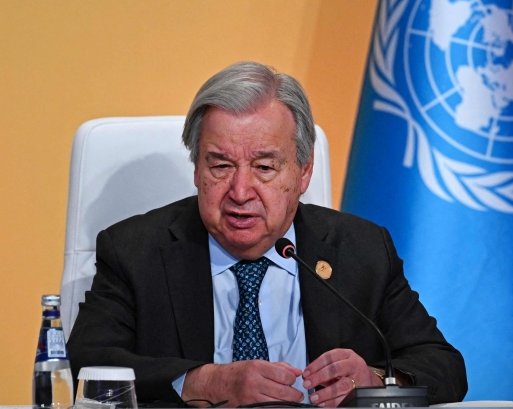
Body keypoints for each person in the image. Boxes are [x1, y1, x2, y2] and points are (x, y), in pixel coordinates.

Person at [67, 62, 467, 407]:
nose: (240, 193)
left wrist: (376, 381)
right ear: (196, 169)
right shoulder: (135, 251)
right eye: (220, 166)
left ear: (303, 172)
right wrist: (203, 382)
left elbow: (444, 366)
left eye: (264, 167)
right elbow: (87, 361)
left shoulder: (360, 250)